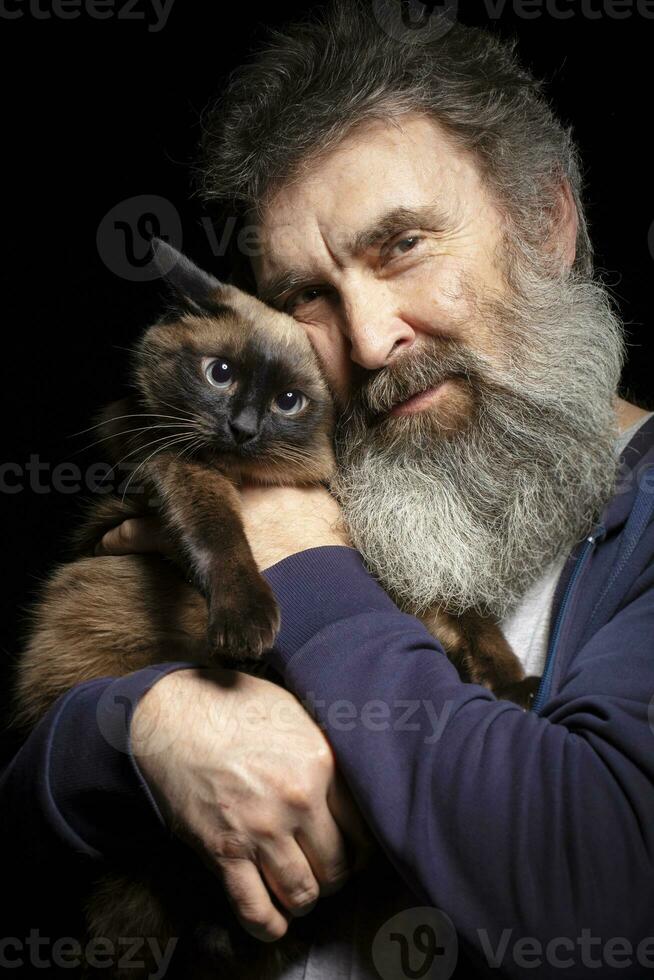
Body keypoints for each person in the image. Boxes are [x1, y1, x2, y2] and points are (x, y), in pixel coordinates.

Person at [3, 2, 654, 977]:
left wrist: (298, 551)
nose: (363, 337)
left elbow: (602, 888)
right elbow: (23, 814)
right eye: (307, 292)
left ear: (547, 224)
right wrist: (139, 732)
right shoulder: (375, 493)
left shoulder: (303, 529)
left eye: (401, 245)